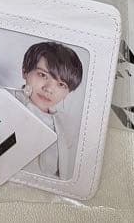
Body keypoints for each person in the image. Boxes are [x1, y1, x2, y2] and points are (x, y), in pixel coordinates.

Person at [10, 41, 83, 180]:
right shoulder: (5, 103)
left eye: (61, 84)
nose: (49, 89)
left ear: (68, 92)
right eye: (42, 75)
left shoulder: (67, 126)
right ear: (25, 71)